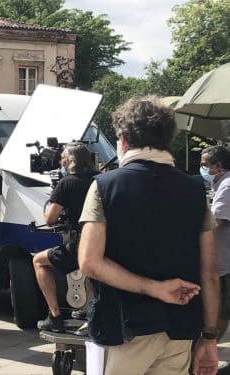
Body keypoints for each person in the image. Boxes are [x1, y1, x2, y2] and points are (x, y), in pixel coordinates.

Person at [78, 96, 219, 375]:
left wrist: (154, 288)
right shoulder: (194, 190)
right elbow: (210, 272)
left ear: (124, 141)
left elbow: (89, 262)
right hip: (179, 328)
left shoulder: (105, 186)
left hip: (124, 328)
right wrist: (210, 337)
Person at [33, 142, 98, 332]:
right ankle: (89, 310)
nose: (60, 160)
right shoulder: (101, 180)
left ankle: (55, 317)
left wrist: (56, 194)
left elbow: (50, 218)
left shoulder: (66, 183)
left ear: (70, 159)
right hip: (102, 242)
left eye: (62, 156)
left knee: (39, 261)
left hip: (79, 245)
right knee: (93, 270)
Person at [200, 145, 230, 374]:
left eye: (205, 164)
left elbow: (215, 222)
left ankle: (212, 349)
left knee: (220, 309)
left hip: (223, 260)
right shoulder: (221, 183)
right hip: (222, 257)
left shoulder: (227, 186)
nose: (203, 168)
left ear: (219, 166)